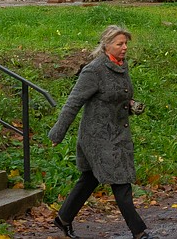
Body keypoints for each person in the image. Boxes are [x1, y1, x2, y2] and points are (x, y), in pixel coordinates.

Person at [49, 25, 153, 239]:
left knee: (89, 179)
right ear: (106, 46)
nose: (125, 48)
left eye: (126, 44)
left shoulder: (121, 66)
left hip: (117, 133)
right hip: (97, 137)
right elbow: (73, 102)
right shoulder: (94, 70)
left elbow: (116, 96)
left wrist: (130, 104)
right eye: (120, 44)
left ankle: (63, 219)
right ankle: (140, 233)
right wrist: (57, 133)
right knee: (120, 182)